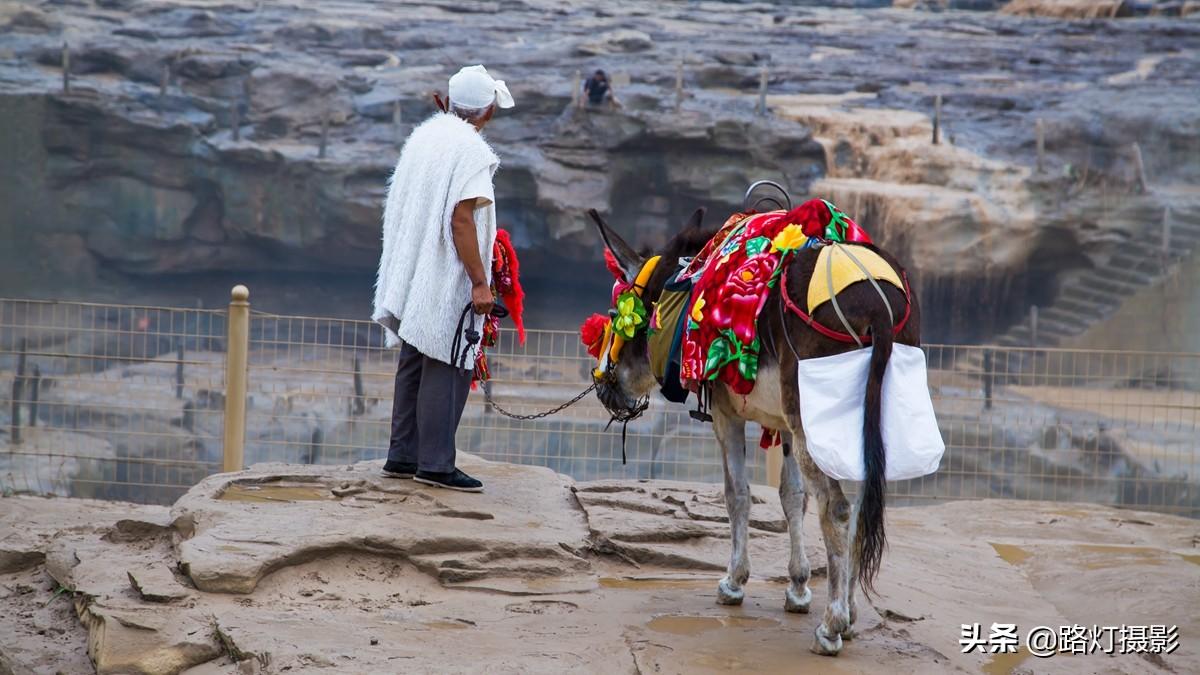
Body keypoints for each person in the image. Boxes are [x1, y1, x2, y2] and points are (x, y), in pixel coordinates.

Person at [371, 65, 515, 492]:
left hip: (414, 266)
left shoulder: (426, 136)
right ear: (486, 109)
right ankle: (435, 463)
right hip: (445, 272)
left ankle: (403, 454)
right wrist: (479, 281)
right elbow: (461, 220)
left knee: (415, 354)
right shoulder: (471, 151)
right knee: (448, 359)